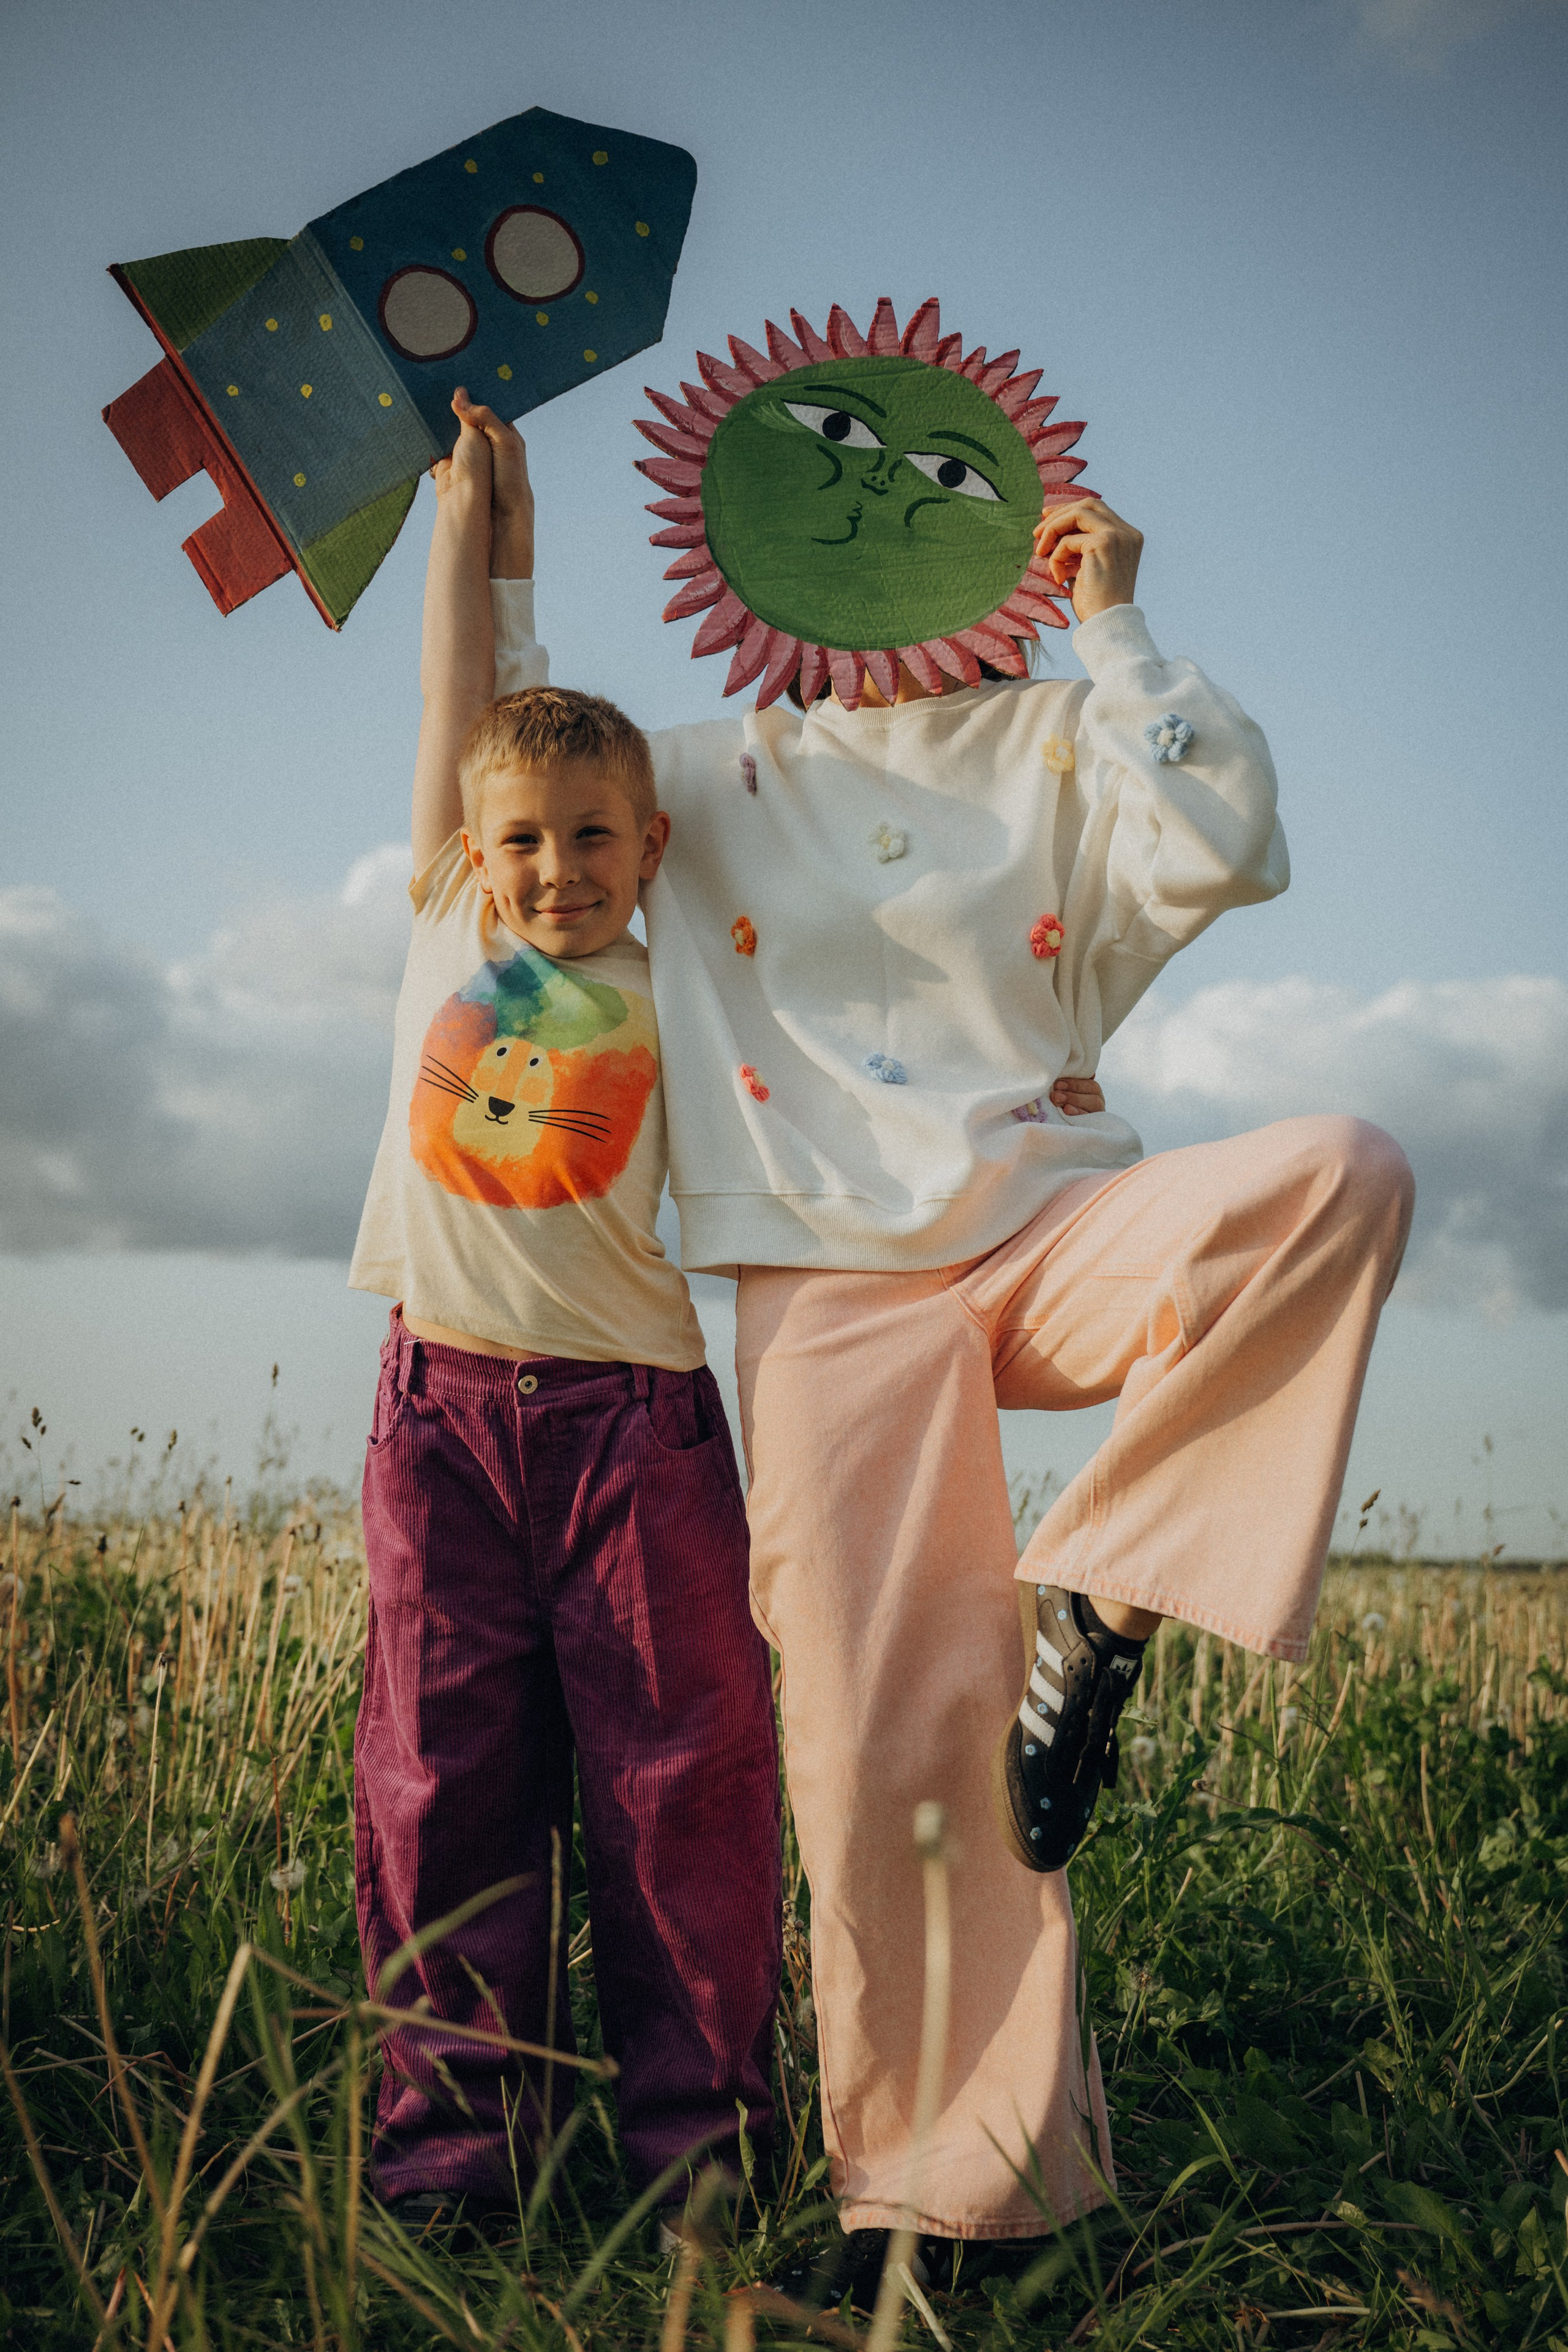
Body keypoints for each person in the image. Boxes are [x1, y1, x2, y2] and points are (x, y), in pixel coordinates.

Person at [456, 296, 1415, 2272]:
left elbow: (1231, 842)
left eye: (920, 485)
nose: (870, 516)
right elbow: (523, 783)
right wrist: (498, 558)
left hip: (1055, 1229)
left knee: (1341, 1176)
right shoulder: (703, 775)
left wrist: (1119, 627)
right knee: (893, 1749)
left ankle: (1111, 1587)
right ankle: (953, 2205)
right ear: (735, 536)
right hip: (827, 1293)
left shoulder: (1064, 732)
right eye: (820, 484)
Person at [345, 402, 783, 2225]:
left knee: (680, 1798)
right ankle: (456, 2174)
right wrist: (478, 529)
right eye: (526, 840)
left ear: (649, 841)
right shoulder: (450, 907)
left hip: (635, 1431)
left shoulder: (674, 957)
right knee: (444, 1790)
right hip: (440, 1415)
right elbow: (475, 702)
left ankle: (698, 2175)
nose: (556, 871)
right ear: (473, 843)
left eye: (594, 838)